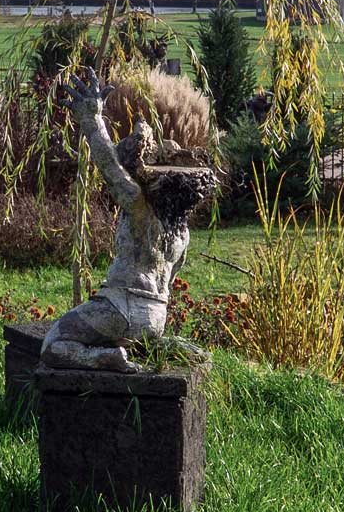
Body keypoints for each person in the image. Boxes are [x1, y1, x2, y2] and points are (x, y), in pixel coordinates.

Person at [41, 70, 222, 371]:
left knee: (53, 344)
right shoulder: (182, 233)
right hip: (156, 318)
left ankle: (102, 358)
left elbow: (108, 164)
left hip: (120, 309)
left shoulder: (140, 208)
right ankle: (152, 345)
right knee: (133, 333)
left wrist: (91, 118)